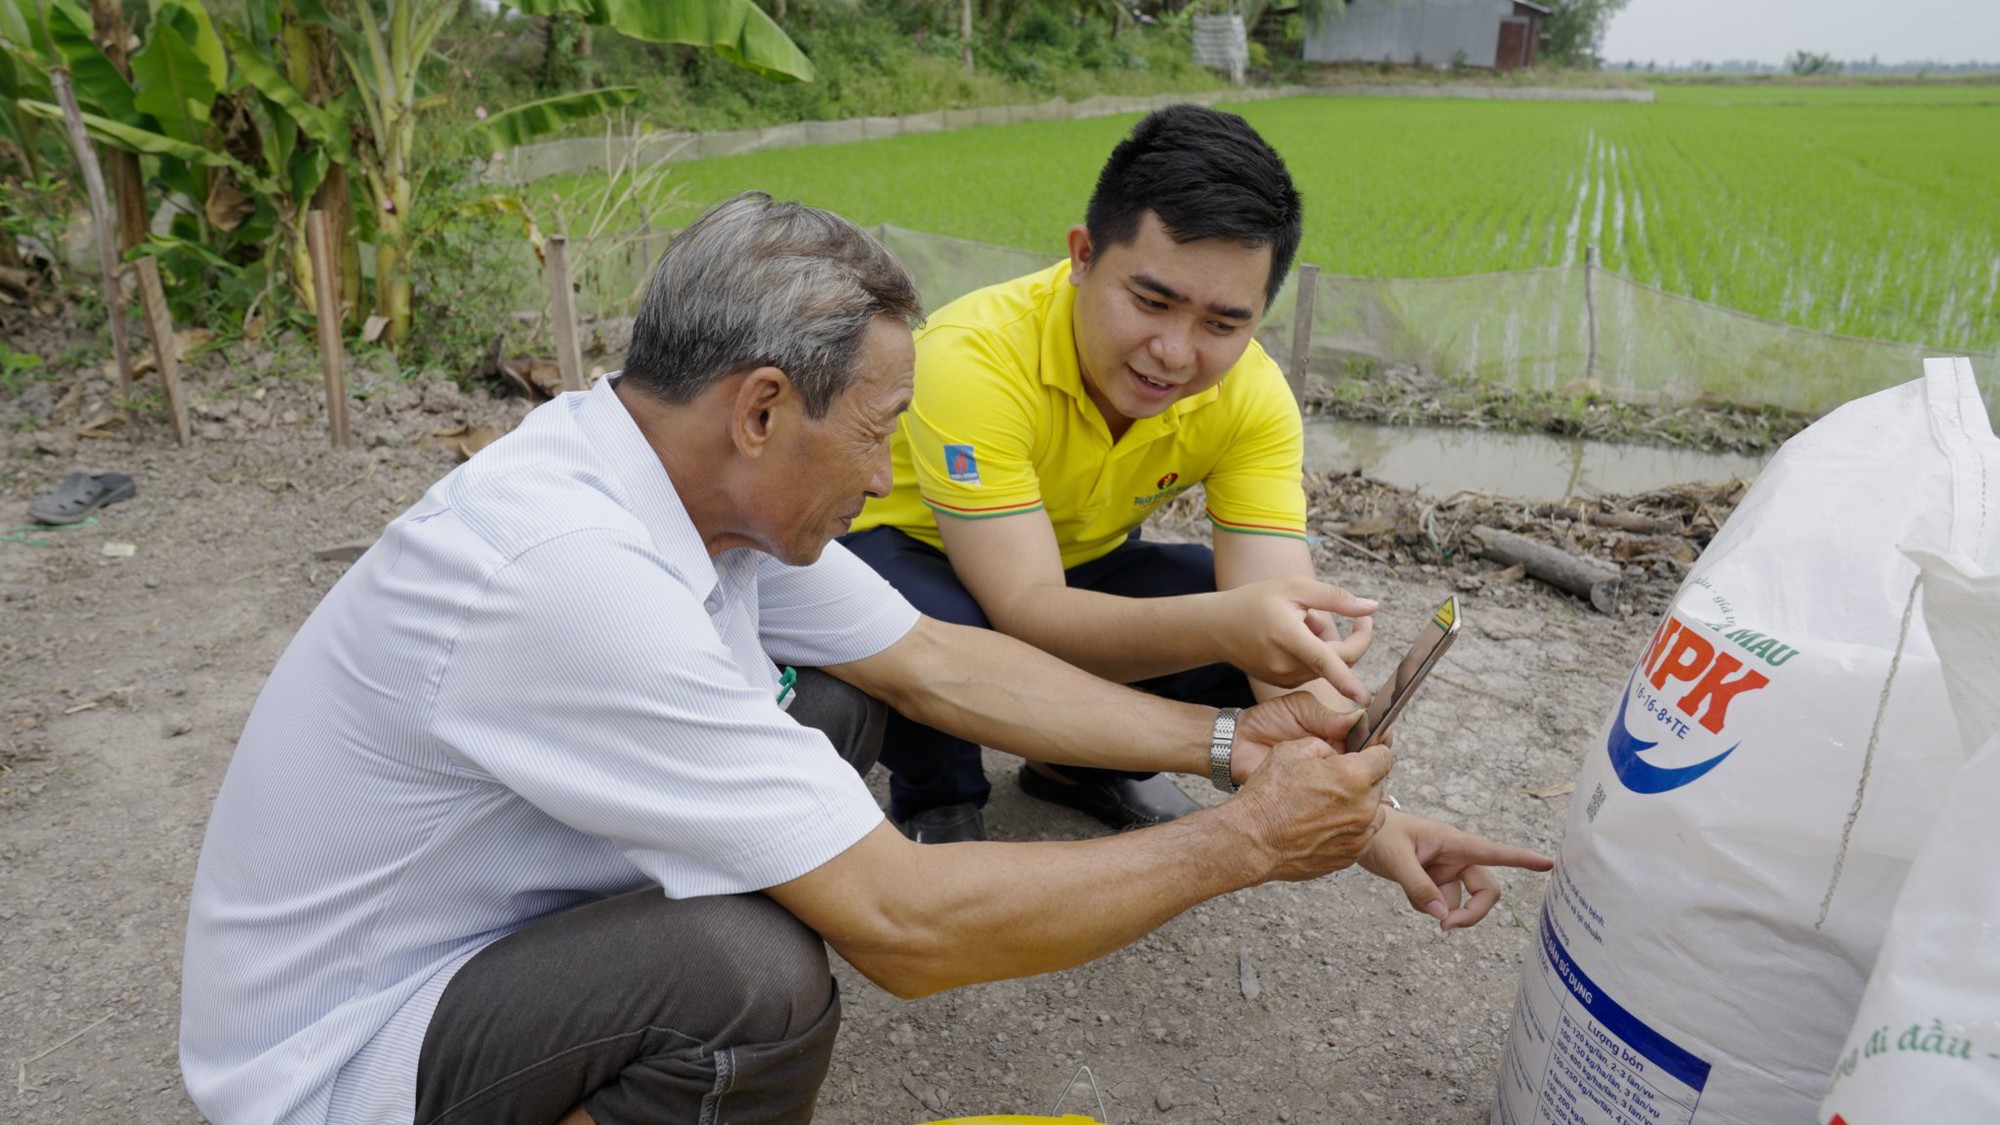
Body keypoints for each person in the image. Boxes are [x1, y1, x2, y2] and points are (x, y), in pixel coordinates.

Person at [180, 192, 1551, 1125]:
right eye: (882, 427)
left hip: (478, 934)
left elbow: (942, 667)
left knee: (837, 700)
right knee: (747, 978)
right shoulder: (569, 577)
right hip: (336, 1053)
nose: (896, 464)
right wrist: (1244, 841)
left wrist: (1230, 751)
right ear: (764, 408)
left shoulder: (684, 486)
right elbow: (906, 928)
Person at [843, 104, 1370, 843]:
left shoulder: (1252, 396)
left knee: (1240, 608)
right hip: (917, 550)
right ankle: (938, 798)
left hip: (1072, 565)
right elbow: (1025, 607)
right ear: (1084, 254)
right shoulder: (973, 356)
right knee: (925, 617)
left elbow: (1275, 597)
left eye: (1222, 324)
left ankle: (1070, 767)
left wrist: (1343, 738)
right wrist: (1229, 624)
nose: (1174, 352)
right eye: (1152, 301)